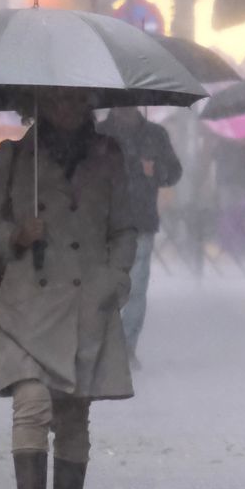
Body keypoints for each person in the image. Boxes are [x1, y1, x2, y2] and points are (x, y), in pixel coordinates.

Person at [0, 90, 137, 489]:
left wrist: (114, 278)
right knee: (31, 406)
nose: (67, 109)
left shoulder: (108, 156)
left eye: (76, 102)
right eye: (58, 102)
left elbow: (125, 228)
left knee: (72, 415)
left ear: (89, 106)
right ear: (41, 106)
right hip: (27, 303)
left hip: (87, 303)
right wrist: (15, 233)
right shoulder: (16, 155)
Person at [97, 107, 182, 361]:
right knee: (104, 287)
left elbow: (174, 172)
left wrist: (155, 171)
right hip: (102, 222)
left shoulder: (155, 134)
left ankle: (126, 347)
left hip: (140, 221)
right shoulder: (97, 134)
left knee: (136, 287)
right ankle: (104, 343)